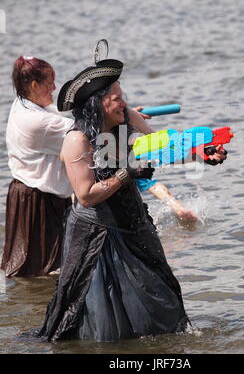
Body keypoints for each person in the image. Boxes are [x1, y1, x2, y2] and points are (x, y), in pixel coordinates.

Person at [36, 55, 191, 342]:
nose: (124, 103)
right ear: (98, 103)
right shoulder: (77, 140)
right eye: (118, 98)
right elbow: (85, 196)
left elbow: (163, 149)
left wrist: (203, 154)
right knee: (106, 317)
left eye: (124, 98)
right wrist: (126, 173)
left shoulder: (127, 118)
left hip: (135, 223)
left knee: (162, 293)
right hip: (98, 235)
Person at [1, 56, 73, 277]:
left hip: (28, 194)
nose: (54, 88)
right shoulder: (36, 121)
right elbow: (85, 134)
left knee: (32, 271)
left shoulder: (23, 104)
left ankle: (27, 304)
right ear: (34, 85)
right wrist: (119, 117)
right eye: (50, 82)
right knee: (42, 270)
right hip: (39, 202)